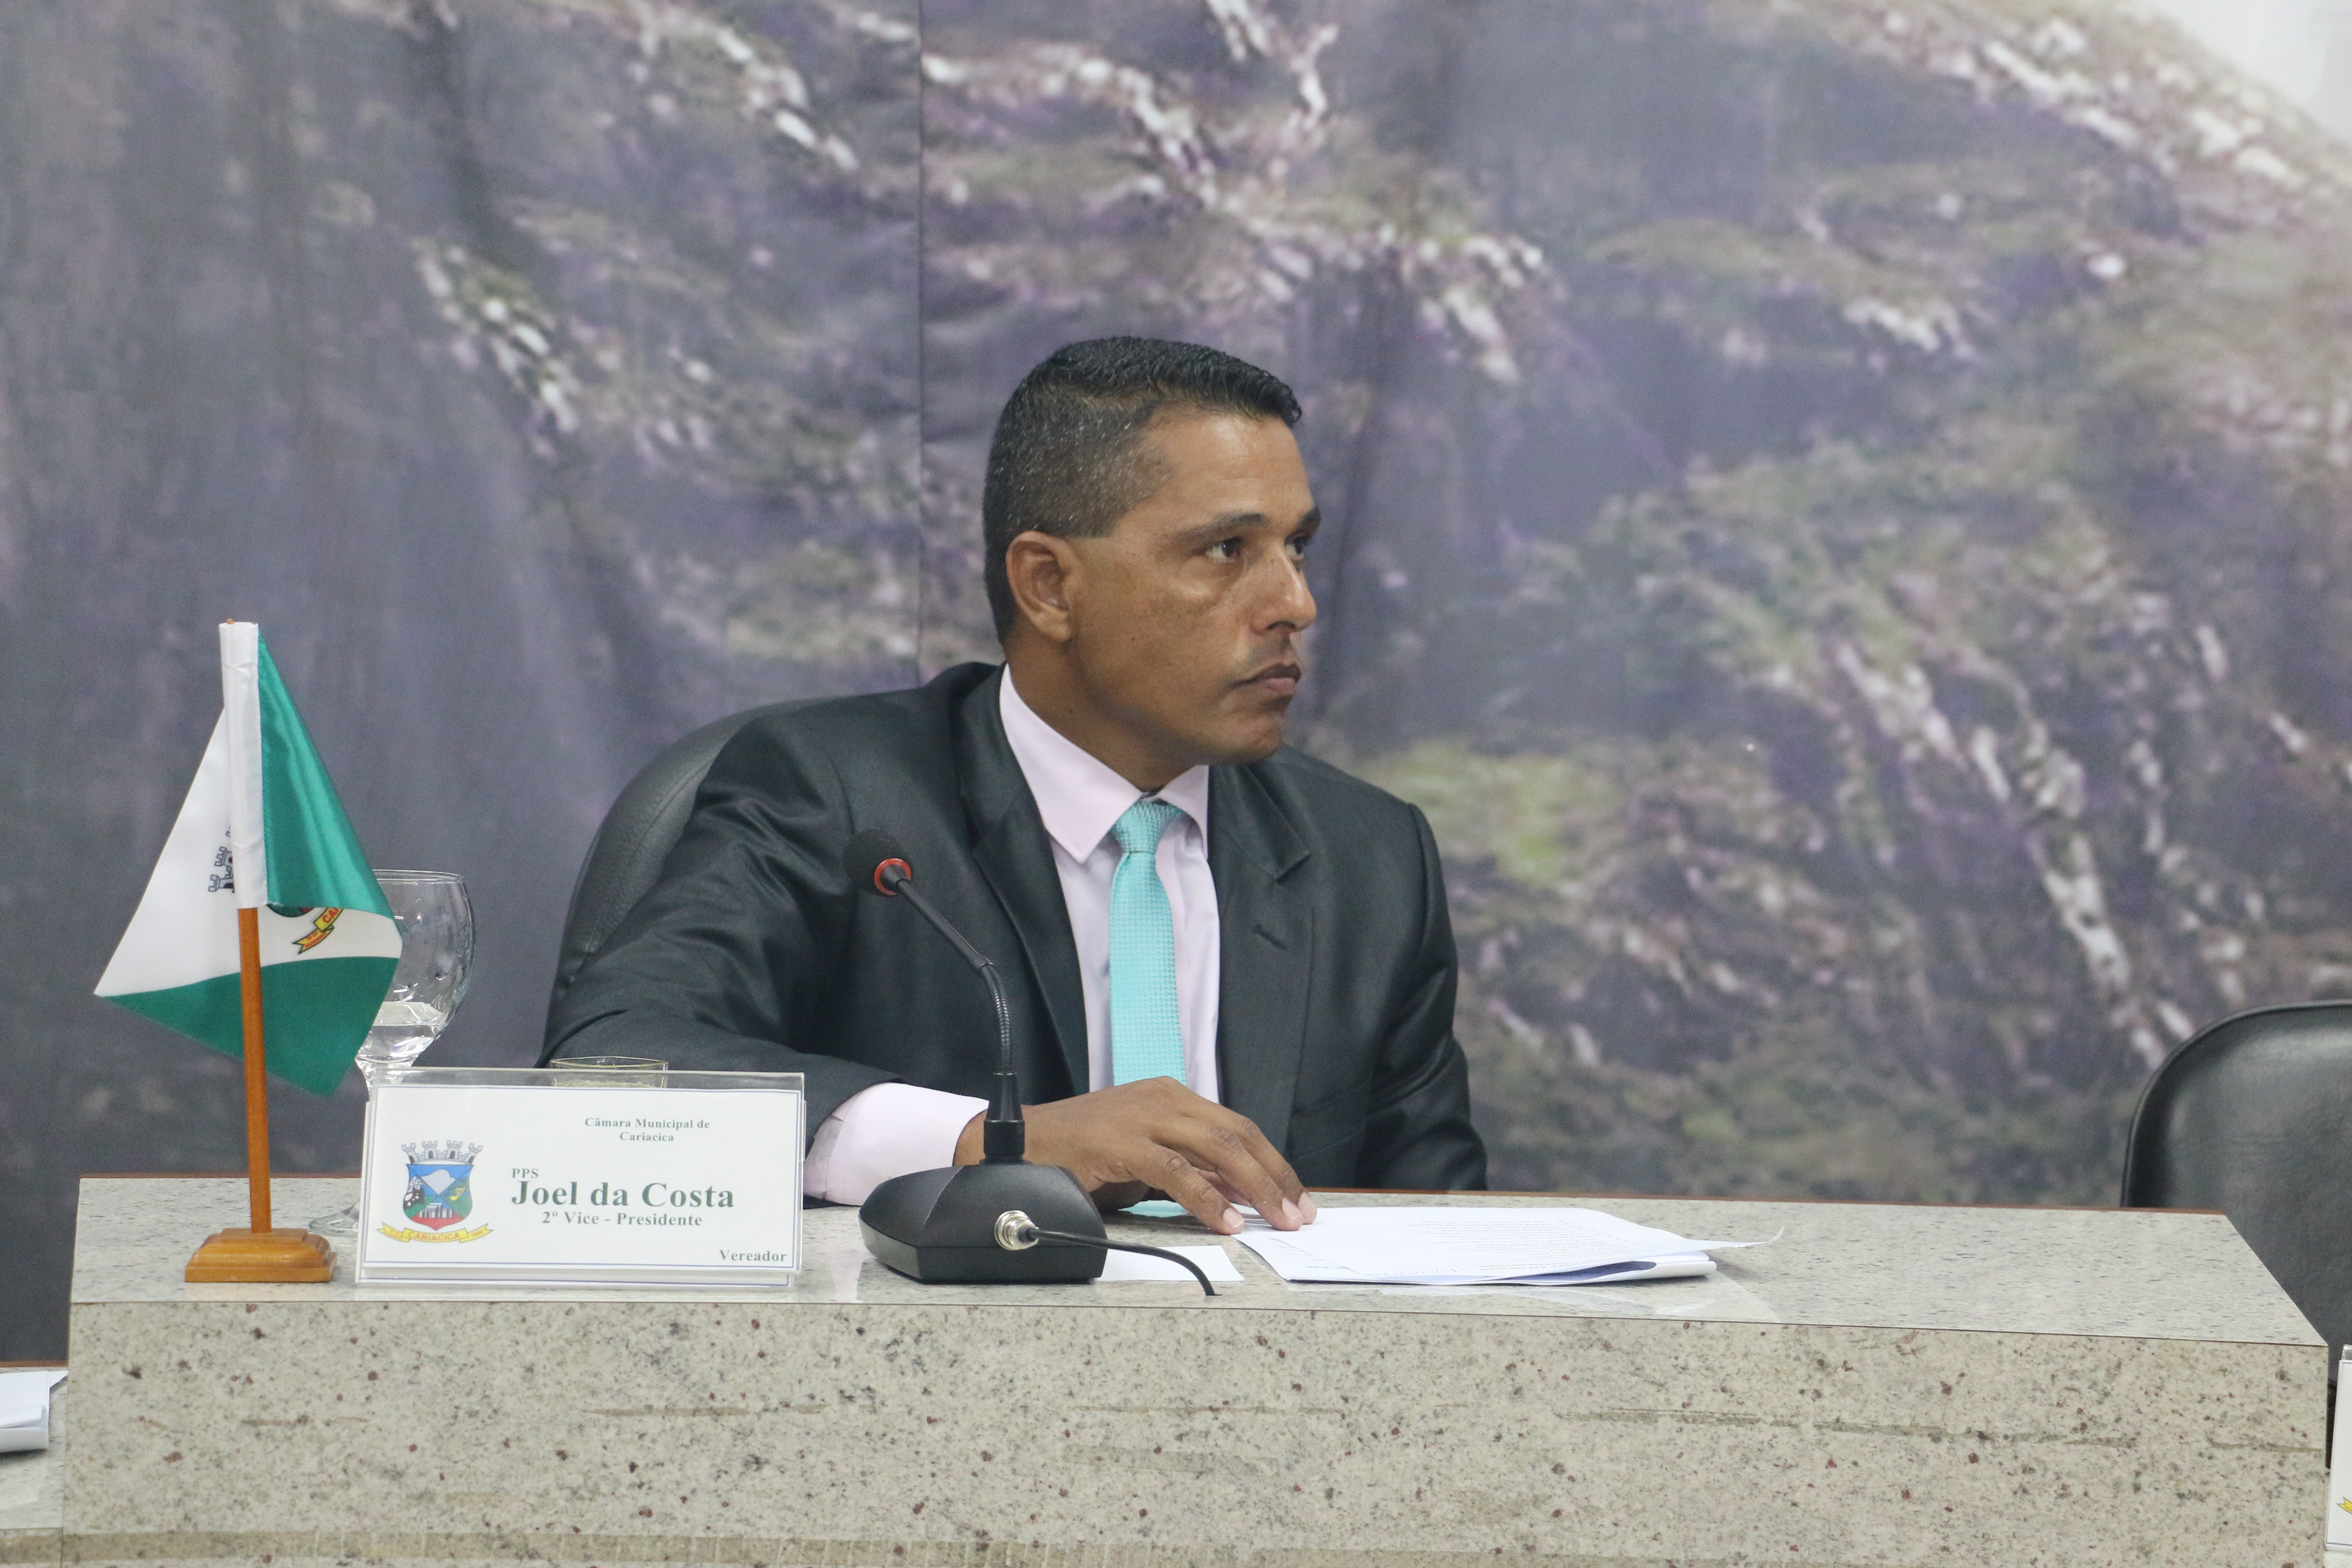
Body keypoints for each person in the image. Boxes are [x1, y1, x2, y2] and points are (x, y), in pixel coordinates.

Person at [545, 337, 1485, 1234]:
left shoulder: (1367, 858)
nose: (1295, 604)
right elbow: (609, 1063)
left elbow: (1444, 1241)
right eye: (1227, 550)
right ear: (1048, 586)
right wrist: (988, 1145)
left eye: (1298, 546)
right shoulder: (840, 798)